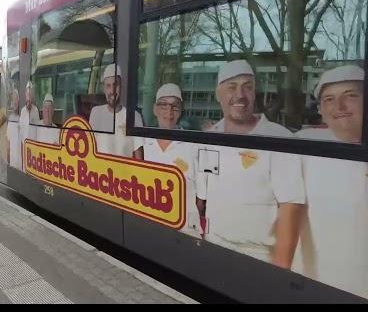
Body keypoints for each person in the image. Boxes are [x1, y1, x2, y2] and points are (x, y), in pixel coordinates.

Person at [195, 59, 306, 268]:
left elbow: (291, 206)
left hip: (260, 257)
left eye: (247, 87)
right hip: (214, 246)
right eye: (231, 87)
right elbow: (202, 199)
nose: (240, 95)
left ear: (255, 93)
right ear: (218, 95)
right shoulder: (209, 137)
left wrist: (278, 274)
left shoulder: (278, 137)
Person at [296, 65, 368, 298]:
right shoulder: (300, 144)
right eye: (329, 99)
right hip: (309, 283)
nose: (340, 108)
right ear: (322, 111)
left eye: (351, 96)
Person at [133, 83, 201, 236]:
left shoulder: (193, 145)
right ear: (155, 110)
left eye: (174, 106)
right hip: (151, 225)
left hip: (183, 230)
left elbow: (201, 197)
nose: (169, 112)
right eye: (163, 105)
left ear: (180, 111)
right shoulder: (145, 142)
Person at [89, 63, 144, 157]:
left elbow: (139, 157)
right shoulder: (96, 113)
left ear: (121, 87)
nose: (112, 91)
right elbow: (89, 148)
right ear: (104, 89)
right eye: (108, 86)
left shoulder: (134, 116)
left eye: (115, 85)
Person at [19, 80, 41, 146]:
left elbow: (38, 129)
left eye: (30, 94)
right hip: (24, 144)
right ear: (26, 95)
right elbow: (20, 129)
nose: (29, 97)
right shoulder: (22, 111)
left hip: (33, 145)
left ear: (32, 96)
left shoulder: (35, 110)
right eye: (28, 94)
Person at [6, 88, 22, 170]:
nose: (14, 102)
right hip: (12, 162)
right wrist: (8, 160)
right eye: (13, 100)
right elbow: (8, 142)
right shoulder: (11, 118)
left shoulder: (23, 117)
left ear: (19, 101)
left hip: (21, 163)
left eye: (16, 99)